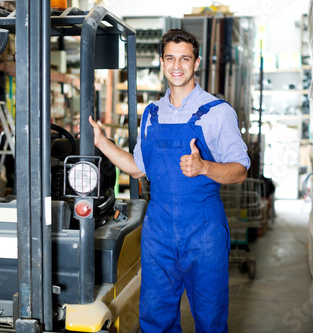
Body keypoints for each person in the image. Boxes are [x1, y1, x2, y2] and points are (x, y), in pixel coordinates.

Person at [89, 28, 250, 333]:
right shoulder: (151, 114)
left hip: (203, 230)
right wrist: (102, 144)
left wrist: (204, 167)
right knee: (156, 317)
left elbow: (240, 171)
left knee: (210, 317)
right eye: (171, 58)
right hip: (159, 230)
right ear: (162, 62)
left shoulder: (217, 113)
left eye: (185, 59)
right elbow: (137, 168)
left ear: (197, 62)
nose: (178, 66)